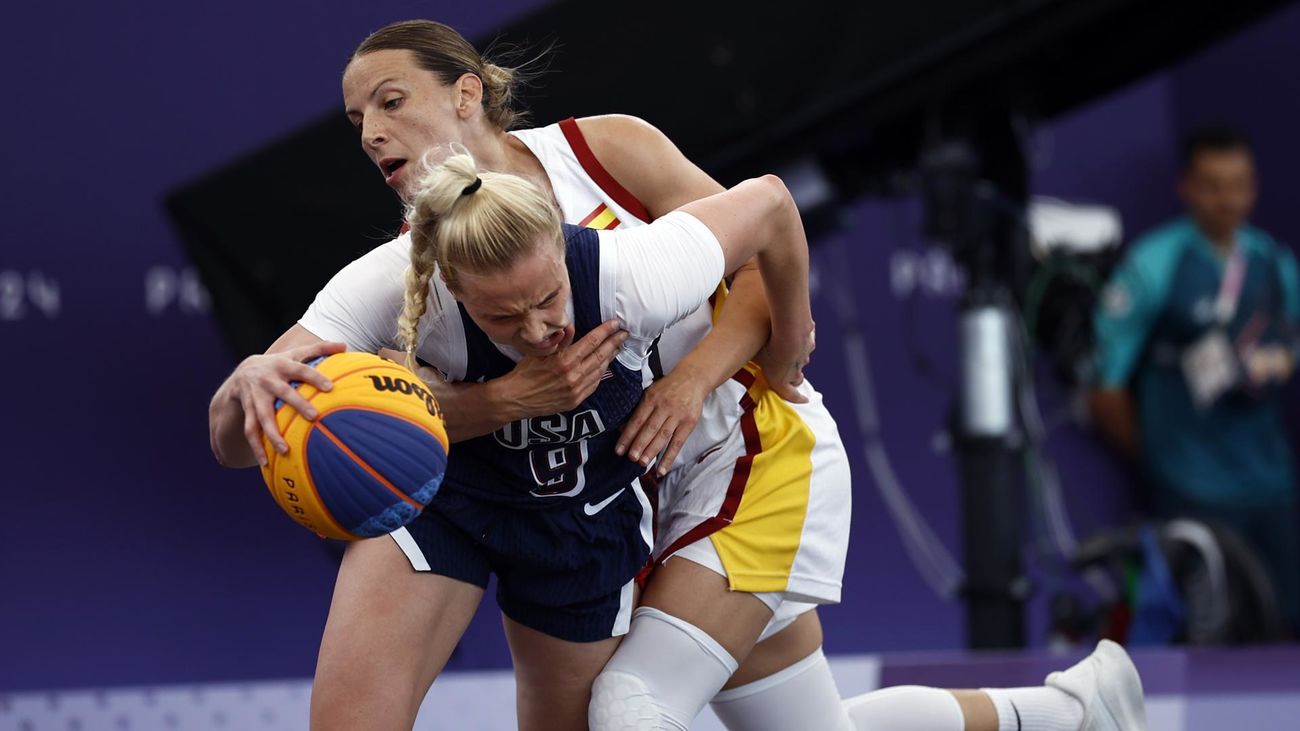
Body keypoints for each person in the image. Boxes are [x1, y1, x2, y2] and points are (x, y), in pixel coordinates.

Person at [209, 19, 1147, 731]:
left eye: (389, 101)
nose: (370, 131)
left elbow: (764, 241)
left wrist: (714, 370)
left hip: (733, 448)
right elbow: (297, 408)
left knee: (630, 708)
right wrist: (263, 380)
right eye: (355, 118)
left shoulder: (611, 208)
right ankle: (1069, 708)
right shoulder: (405, 262)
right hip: (615, 479)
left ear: (466, 93)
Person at [1090, 126, 1300, 636]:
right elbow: (1106, 387)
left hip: (1271, 485)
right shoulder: (1155, 263)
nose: (1227, 199)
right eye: (1212, 184)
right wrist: (1163, 458)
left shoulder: (1275, 264)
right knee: (1208, 637)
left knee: (1284, 633)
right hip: (1191, 489)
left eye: (1239, 184)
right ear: (1186, 187)